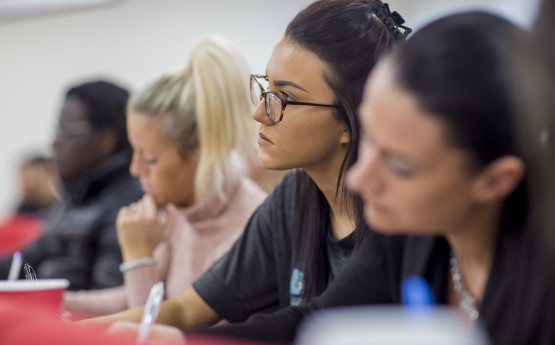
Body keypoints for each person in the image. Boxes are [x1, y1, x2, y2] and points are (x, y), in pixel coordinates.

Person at [193, 11, 555, 345]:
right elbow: (314, 321)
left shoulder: (541, 289)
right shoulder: (409, 235)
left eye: (400, 165)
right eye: (371, 142)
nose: (359, 179)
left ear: (494, 181)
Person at [83, 0, 411, 330]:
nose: (259, 113)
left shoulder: (399, 216)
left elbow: (308, 324)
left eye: (287, 98)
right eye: (267, 88)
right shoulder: (291, 200)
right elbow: (186, 310)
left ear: (351, 119)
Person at [64, 35, 267, 317]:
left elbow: (151, 326)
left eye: (149, 158)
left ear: (199, 154)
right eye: (134, 153)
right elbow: (130, 300)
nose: (135, 170)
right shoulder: (178, 209)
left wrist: (138, 257)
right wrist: (49, 302)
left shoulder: (248, 226)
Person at [0, 80, 143, 290]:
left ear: (105, 138)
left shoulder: (130, 204)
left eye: (65, 131)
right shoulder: (76, 194)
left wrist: (40, 299)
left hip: (81, 320)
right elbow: (26, 263)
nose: (54, 143)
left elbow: (108, 295)